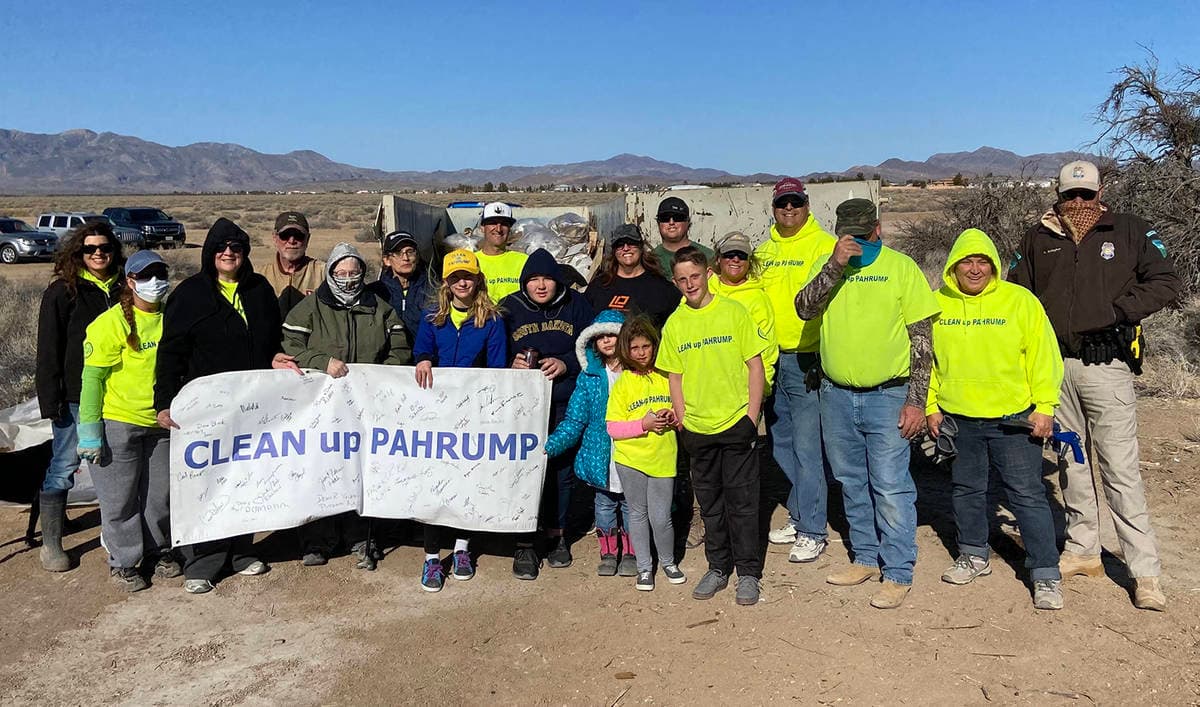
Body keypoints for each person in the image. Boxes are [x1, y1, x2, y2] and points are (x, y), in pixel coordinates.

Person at [1009, 160, 1180, 611]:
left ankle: (1145, 572)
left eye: (1087, 195)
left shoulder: (1129, 230)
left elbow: (1165, 282)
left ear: (1100, 193)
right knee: (1072, 460)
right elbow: (1016, 293)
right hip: (1054, 370)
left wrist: (1119, 312)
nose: (1079, 204)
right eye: (1071, 195)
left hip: (1106, 367)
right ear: (1059, 196)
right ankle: (1084, 550)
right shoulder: (1037, 237)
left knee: (1120, 469)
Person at [795, 198, 939, 610]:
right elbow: (804, 308)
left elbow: (922, 340)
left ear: (878, 227)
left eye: (863, 232)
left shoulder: (901, 267)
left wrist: (916, 400)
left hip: (889, 394)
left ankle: (897, 570)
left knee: (891, 484)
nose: (856, 239)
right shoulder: (829, 264)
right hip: (836, 393)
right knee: (850, 479)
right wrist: (835, 266)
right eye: (849, 233)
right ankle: (864, 556)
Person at [154, 217, 300, 594]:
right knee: (209, 481)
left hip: (252, 405)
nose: (229, 253)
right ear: (209, 252)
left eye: (236, 247)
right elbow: (171, 352)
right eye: (221, 247)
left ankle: (239, 551)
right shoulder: (191, 294)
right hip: (206, 409)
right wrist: (164, 402)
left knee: (246, 477)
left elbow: (269, 341)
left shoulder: (258, 289)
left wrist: (275, 358)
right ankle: (203, 560)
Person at [926, 229, 1065, 610]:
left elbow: (1043, 356)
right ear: (953, 266)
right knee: (967, 489)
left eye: (982, 262)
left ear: (993, 266)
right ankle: (973, 554)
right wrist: (931, 406)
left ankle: (1046, 574)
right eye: (966, 262)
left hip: (1014, 418)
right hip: (960, 416)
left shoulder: (1020, 301)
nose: (974, 269)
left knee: (1026, 494)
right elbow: (927, 363)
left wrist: (1045, 406)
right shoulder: (937, 304)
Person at [282, 242, 411, 569]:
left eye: (355, 272)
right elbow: (289, 347)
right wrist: (321, 361)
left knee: (361, 469)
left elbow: (400, 348)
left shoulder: (380, 308)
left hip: (365, 408)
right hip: (321, 409)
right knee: (321, 468)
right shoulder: (310, 308)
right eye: (341, 272)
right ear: (330, 273)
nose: (348, 278)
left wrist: (379, 375)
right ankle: (316, 539)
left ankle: (360, 538)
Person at [659, 247, 768, 606]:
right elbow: (674, 375)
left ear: (708, 274)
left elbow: (756, 365)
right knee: (711, 505)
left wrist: (751, 417)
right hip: (697, 428)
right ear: (676, 283)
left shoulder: (733, 312)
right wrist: (682, 418)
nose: (689, 284)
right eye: (682, 279)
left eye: (694, 276)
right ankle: (718, 567)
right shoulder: (676, 324)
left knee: (743, 502)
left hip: (736, 423)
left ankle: (749, 573)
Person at [76, 250, 175, 591]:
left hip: (161, 424)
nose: (155, 282)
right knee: (119, 500)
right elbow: (92, 380)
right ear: (130, 282)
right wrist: (89, 431)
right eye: (145, 276)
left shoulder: (173, 317)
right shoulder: (109, 324)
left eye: (160, 274)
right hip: (118, 422)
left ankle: (158, 550)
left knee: (158, 496)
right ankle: (125, 562)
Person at [412, 249, 507, 592]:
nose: (461, 282)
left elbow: (498, 369)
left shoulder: (492, 320)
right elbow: (421, 350)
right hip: (436, 414)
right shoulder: (432, 318)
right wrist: (423, 359)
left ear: (478, 279)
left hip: (471, 413)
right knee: (434, 482)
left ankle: (463, 548)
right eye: (455, 277)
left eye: (467, 276)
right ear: (446, 283)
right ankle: (432, 558)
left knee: (466, 480)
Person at [35, 221, 125, 572]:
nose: (98, 254)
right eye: (90, 249)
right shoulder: (63, 291)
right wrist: (51, 399)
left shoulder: (125, 288)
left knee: (115, 461)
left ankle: (119, 531)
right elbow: (49, 349)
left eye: (105, 248)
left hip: (116, 392)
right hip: (75, 395)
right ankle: (51, 544)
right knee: (64, 465)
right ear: (79, 253)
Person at [755, 177, 837, 563]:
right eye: (782, 204)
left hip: (808, 358)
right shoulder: (763, 252)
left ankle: (813, 530)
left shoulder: (825, 247)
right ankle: (802, 509)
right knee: (781, 444)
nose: (789, 210)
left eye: (795, 203)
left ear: (807, 205)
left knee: (807, 446)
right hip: (771, 360)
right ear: (773, 208)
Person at [501, 248, 596, 576]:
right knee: (524, 467)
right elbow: (494, 349)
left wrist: (566, 362)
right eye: (533, 280)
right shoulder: (509, 308)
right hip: (524, 404)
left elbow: (594, 345)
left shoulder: (576, 305)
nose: (541, 286)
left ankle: (558, 536)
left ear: (558, 281)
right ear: (524, 282)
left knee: (561, 468)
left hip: (564, 400)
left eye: (547, 279)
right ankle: (525, 541)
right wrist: (508, 363)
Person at [545, 309, 634, 577]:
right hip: (599, 456)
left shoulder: (637, 374)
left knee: (632, 505)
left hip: (632, 452)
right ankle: (608, 552)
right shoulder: (589, 378)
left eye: (613, 335)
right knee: (605, 505)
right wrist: (549, 446)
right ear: (593, 342)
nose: (607, 340)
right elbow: (575, 419)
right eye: (601, 336)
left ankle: (632, 551)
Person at [606, 316, 685, 591]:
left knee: (662, 516)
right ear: (626, 350)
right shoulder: (623, 383)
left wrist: (672, 417)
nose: (641, 353)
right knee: (637, 514)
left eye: (646, 346)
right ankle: (644, 568)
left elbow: (681, 413)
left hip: (663, 456)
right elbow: (613, 427)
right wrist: (644, 424)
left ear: (655, 346)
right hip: (631, 459)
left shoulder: (666, 376)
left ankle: (668, 562)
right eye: (635, 347)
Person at [708, 231, 779, 393]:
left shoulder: (758, 299)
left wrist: (761, 390)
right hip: (705, 390)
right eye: (729, 254)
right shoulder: (703, 288)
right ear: (718, 259)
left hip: (743, 391)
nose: (735, 259)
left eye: (742, 255)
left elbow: (766, 350)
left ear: (749, 261)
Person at [585, 224, 680, 328]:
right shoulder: (598, 286)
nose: (626, 248)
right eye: (620, 244)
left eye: (631, 243)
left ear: (641, 246)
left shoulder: (662, 287)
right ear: (614, 250)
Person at [369, 229, 434, 344]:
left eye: (410, 252)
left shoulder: (433, 289)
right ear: (387, 260)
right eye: (399, 253)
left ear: (417, 257)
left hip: (425, 358)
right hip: (389, 359)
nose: (406, 258)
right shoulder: (375, 292)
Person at [258, 211, 325, 317]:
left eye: (299, 235)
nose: (292, 241)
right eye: (285, 235)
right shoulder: (258, 275)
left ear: (307, 239)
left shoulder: (323, 273)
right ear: (275, 238)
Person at [475, 202, 528, 302]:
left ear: (509, 229)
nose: (498, 229)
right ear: (482, 228)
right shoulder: (471, 261)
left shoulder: (524, 261)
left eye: (504, 224)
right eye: (493, 223)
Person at [651, 197, 715, 274]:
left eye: (678, 217)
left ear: (688, 222)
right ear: (658, 223)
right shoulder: (649, 260)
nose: (671, 222)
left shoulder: (708, 256)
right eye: (665, 218)